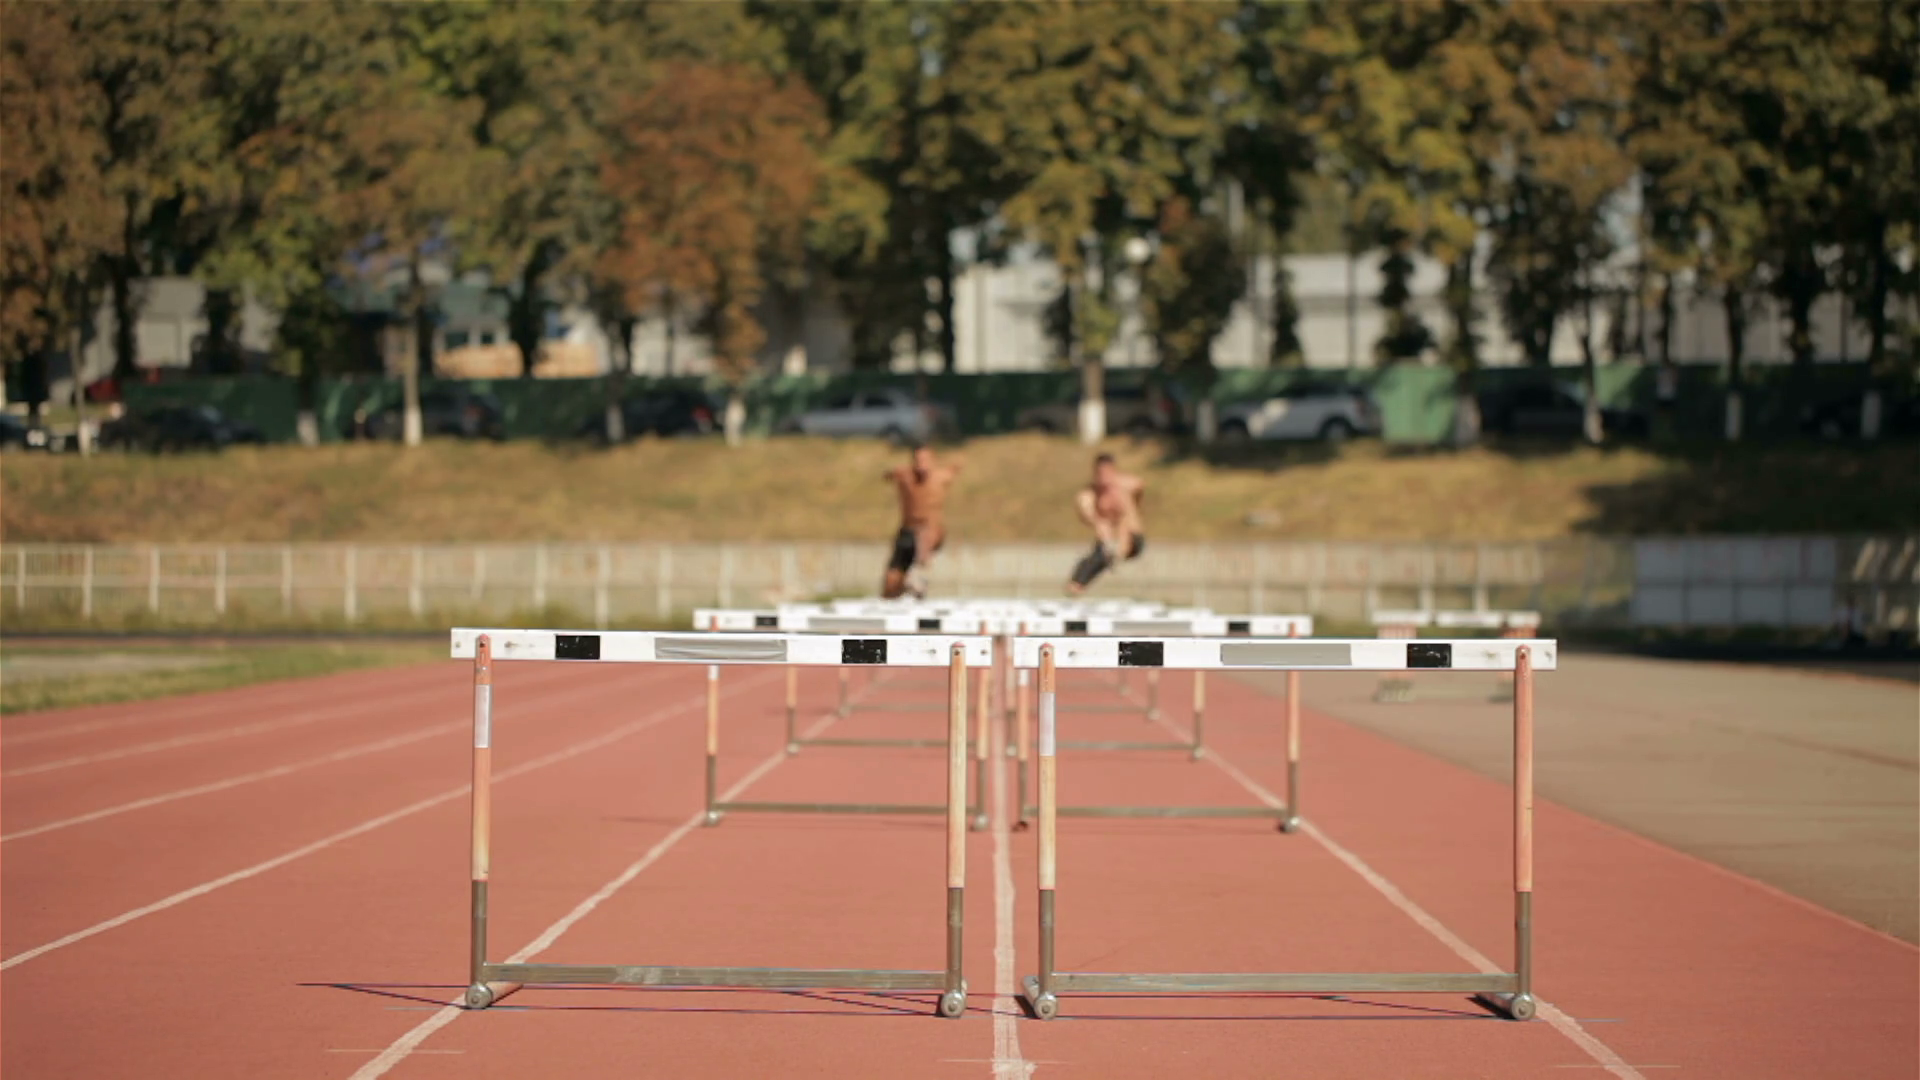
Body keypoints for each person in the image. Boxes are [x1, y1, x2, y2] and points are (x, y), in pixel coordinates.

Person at [881, 444, 961, 599]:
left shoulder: (940, 477)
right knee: (890, 585)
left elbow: (958, 466)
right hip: (906, 532)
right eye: (918, 461)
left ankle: (919, 572)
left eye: (925, 460)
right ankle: (903, 589)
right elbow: (887, 475)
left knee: (925, 534)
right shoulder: (905, 476)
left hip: (931, 531)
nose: (921, 465)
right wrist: (891, 473)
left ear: (933, 461)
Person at [1066, 453, 1146, 594]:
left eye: (1107, 473)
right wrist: (1098, 523)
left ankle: (1117, 550)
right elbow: (1088, 514)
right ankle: (1077, 583)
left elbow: (1139, 487)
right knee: (1100, 546)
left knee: (1123, 519)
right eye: (1100, 474)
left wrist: (1134, 507)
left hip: (1131, 537)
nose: (1104, 478)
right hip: (1107, 540)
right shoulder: (1090, 495)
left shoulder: (1126, 486)